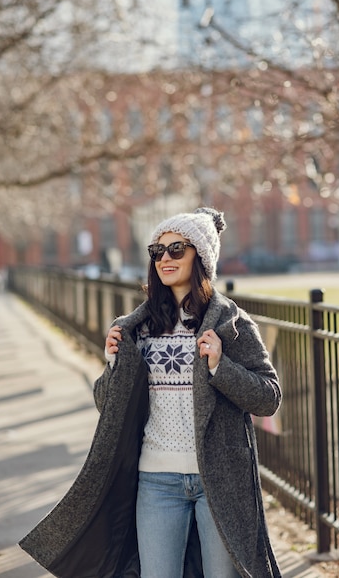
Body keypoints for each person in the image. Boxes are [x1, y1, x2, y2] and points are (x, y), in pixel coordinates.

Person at [19, 207, 282, 578]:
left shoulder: (232, 326)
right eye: (157, 251)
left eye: (177, 249)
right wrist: (113, 364)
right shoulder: (136, 330)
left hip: (219, 483)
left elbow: (269, 397)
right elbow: (104, 404)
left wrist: (221, 368)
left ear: (201, 256)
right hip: (156, 481)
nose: (165, 259)